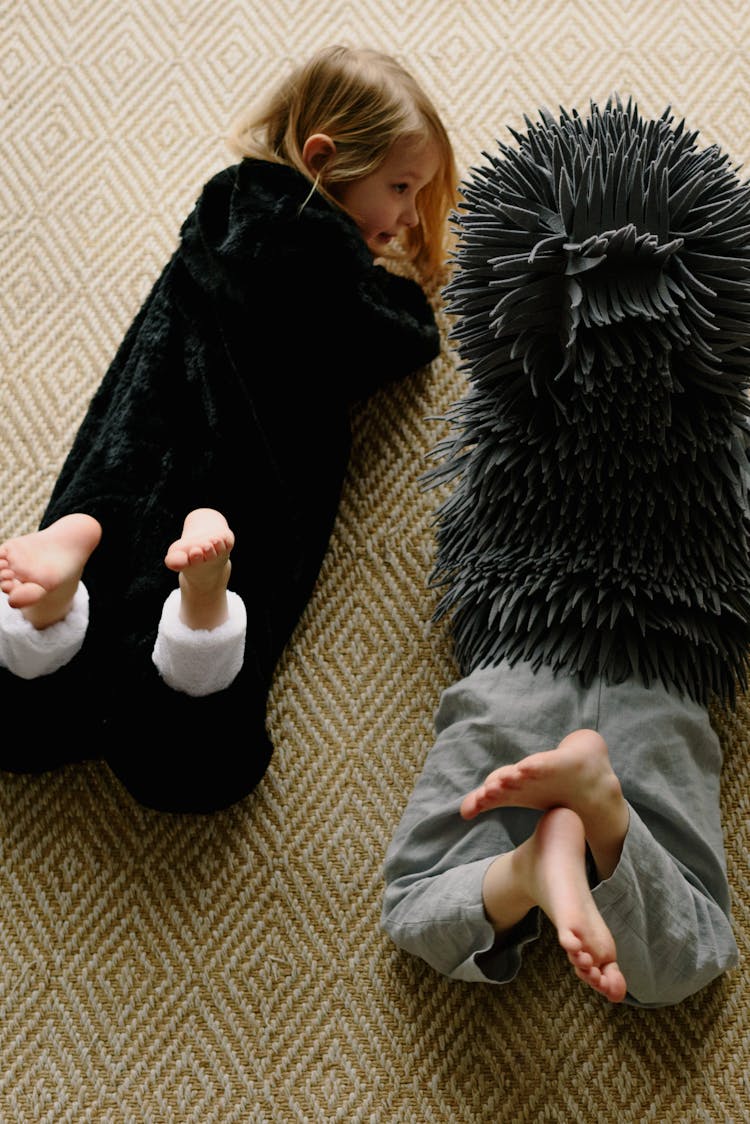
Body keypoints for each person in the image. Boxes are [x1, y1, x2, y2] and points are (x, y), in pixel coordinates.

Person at [0, 44, 459, 814]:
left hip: (148, 427)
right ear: (324, 158)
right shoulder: (327, 269)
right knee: (195, 748)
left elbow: (152, 351)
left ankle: (63, 574)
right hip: (248, 463)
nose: (410, 215)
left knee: (37, 696)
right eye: (401, 188)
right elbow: (401, 346)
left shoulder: (219, 210)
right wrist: (414, 294)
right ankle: (203, 609)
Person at [380, 96, 750, 1008]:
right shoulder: (729, 431)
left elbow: (465, 522)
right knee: (689, 957)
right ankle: (602, 822)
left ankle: (525, 869)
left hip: (517, 651)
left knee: (416, 906)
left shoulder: (506, 416)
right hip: (663, 669)